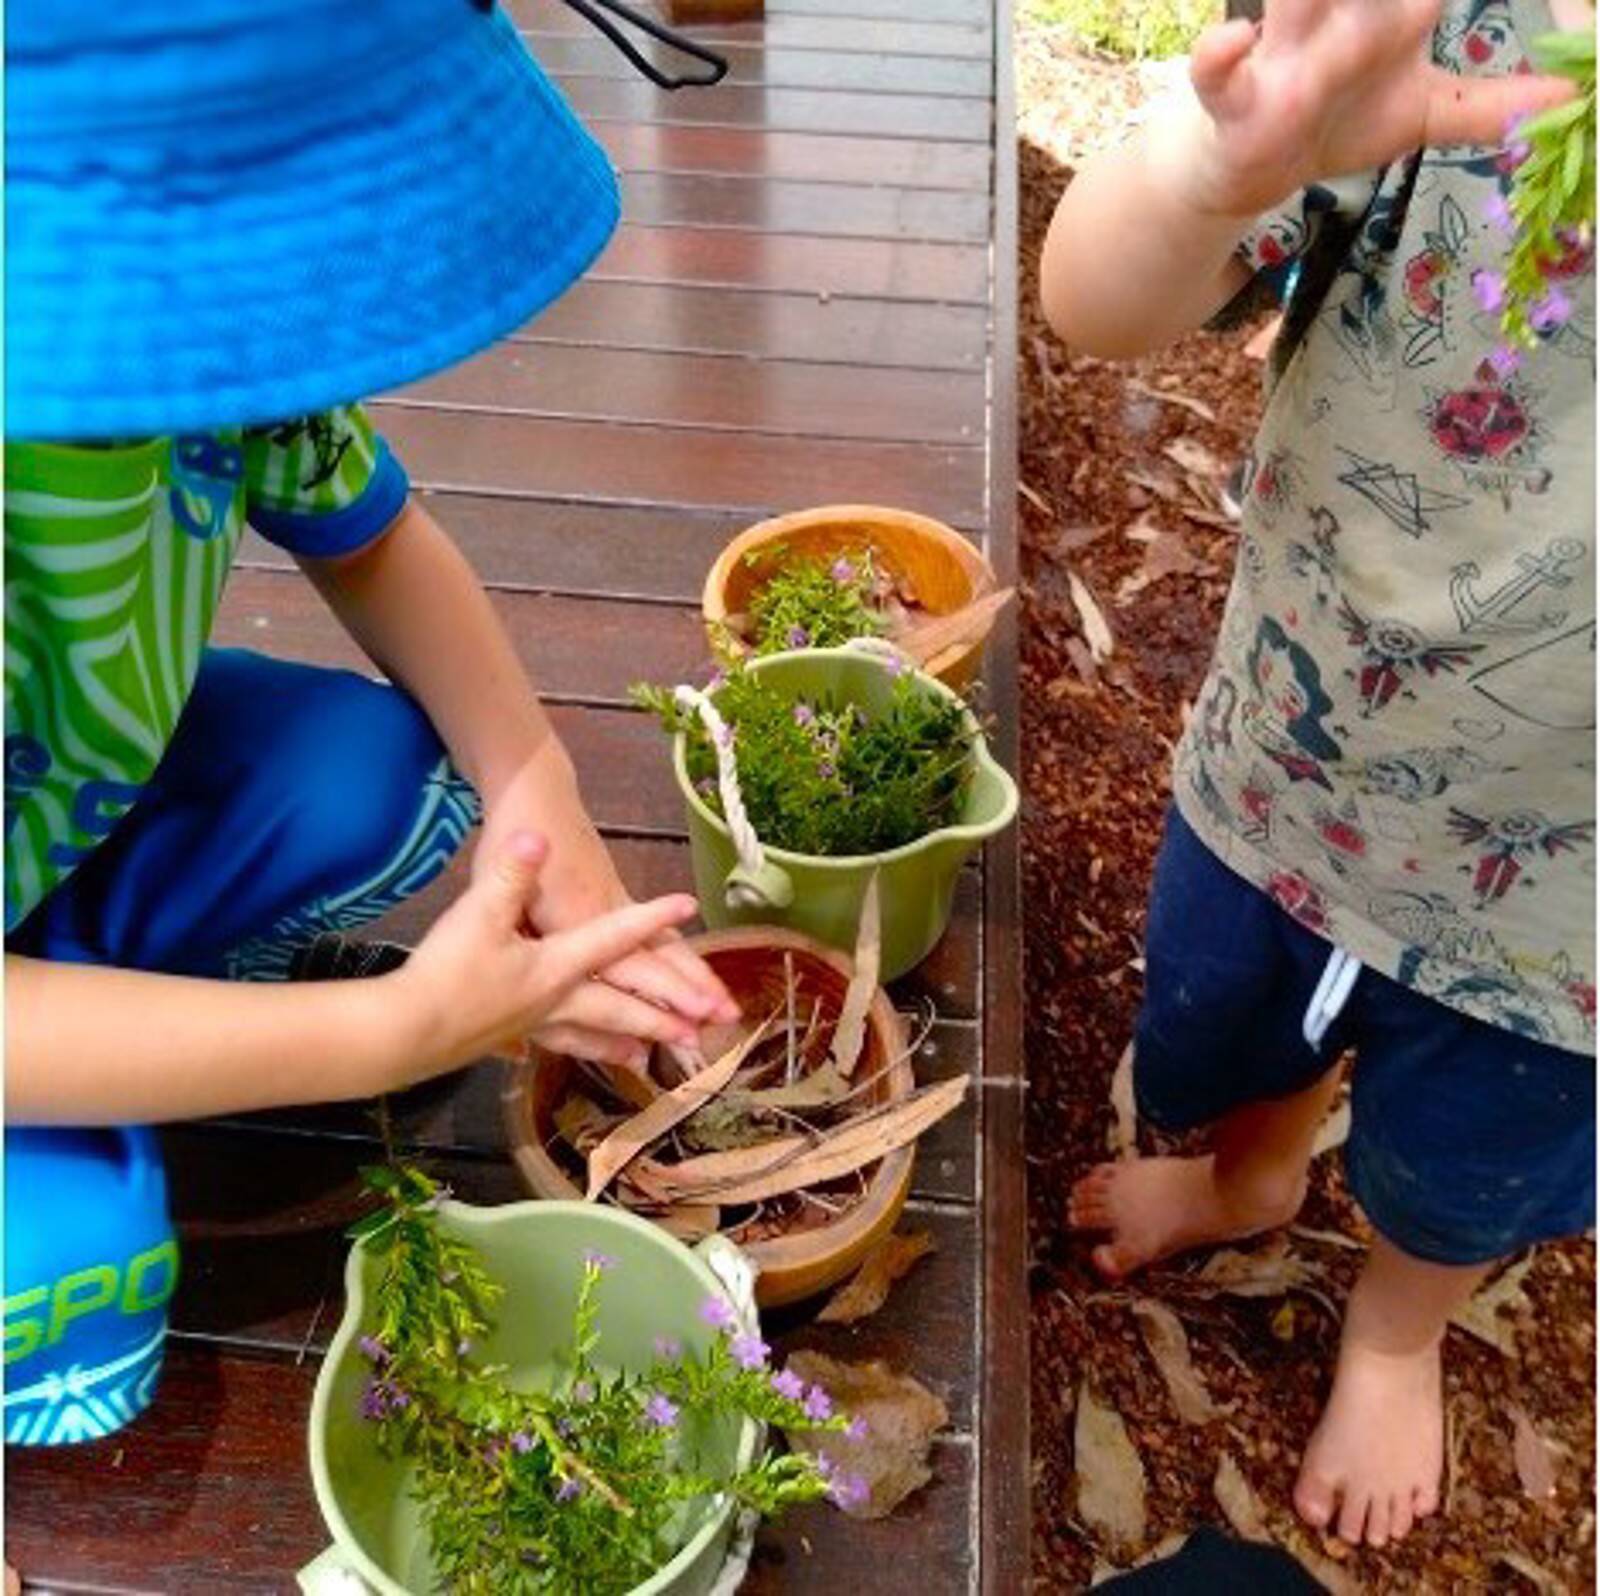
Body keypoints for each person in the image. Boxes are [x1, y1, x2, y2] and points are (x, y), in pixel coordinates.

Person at [4, 0, 737, 1450]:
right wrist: (388, 1029)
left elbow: (369, 538)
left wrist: (553, 814)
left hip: (54, 799)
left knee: (395, 783)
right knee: (78, 1297)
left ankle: (124, 1000)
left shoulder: (201, 313)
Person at [1041, 0, 1594, 1551]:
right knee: (1231, 1015)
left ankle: (1398, 1332)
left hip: (1569, 918)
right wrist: (1209, 173)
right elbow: (1093, 309)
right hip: (1299, 770)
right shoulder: (1428, 32)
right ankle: (1252, 1172)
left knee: (1466, 1163)